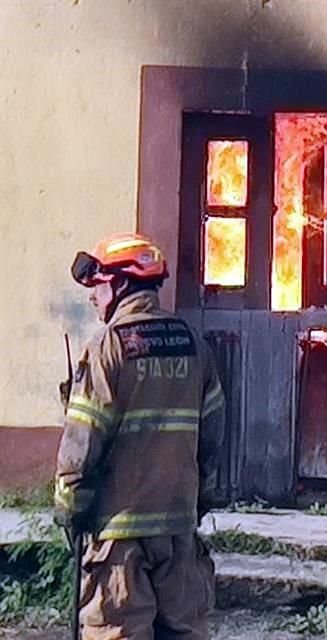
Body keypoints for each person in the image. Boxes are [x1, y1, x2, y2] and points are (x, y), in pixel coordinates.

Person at [54, 231, 225, 639]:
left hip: (119, 541)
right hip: (178, 533)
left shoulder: (108, 348)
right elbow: (212, 439)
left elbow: (82, 443)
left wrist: (70, 507)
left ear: (119, 284)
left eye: (98, 286)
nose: (93, 297)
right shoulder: (193, 344)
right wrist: (199, 500)